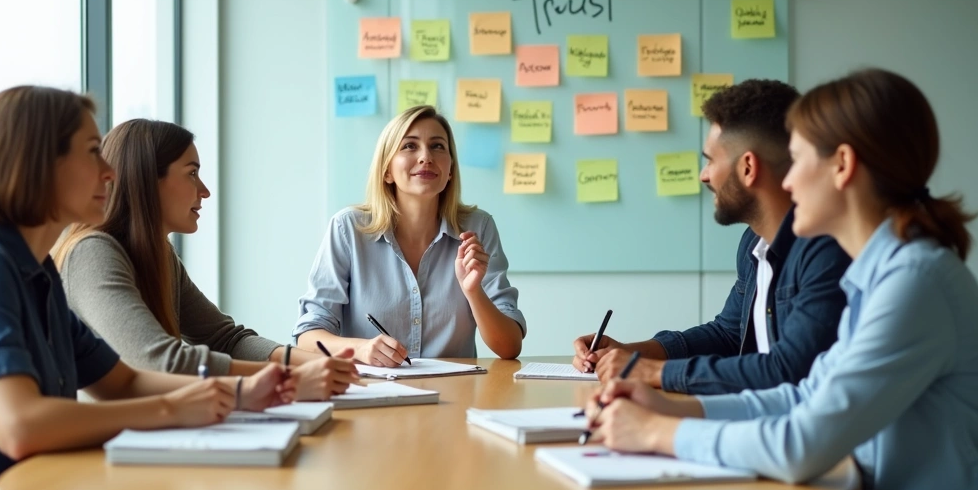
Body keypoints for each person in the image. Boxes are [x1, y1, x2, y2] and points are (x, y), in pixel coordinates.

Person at [587, 69, 978, 490]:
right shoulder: (880, 276)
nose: (788, 181)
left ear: (842, 165)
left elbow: (801, 446)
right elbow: (803, 397)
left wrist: (658, 433)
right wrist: (673, 408)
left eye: (796, 161)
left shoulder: (914, 283)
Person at [0, 87, 293, 490]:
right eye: (91, 153)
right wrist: (172, 408)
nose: (109, 172)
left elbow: (123, 382)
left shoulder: (38, 271)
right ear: (38, 165)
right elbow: (19, 426)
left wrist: (242, 392)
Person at [572, 79, 850, 394]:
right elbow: (728, 335)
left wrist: (651, 371)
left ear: (748, 168)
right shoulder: (754, 243)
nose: (703, 175)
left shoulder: (825, 250)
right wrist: (633, 352)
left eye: (710, 160)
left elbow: (786, 370)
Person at [55, 120, 357, 400]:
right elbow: (161, 362)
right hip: (106, 448)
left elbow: (224, 338)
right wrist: (289, 377)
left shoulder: (159, 253)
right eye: (191, 173)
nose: (205, 191)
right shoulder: (91, 253)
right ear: (147, 179)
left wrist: (320, 364)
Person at [293, 105, 525, 366]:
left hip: (456, 396)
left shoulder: (478, 228)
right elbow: (308, 335)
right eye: (409, 146)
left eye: (438, 146)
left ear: (450, 171)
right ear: (387, 170)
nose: (426, 157)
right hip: (372, 395)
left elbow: (509, 347)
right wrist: (361, 349)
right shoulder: (348, 228)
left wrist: (473, 292)